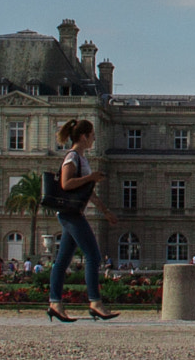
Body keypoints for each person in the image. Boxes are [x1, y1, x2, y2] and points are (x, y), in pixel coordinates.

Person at [46, 119, 121, 323]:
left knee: (62, 262)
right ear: (83, 136)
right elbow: (66, 183)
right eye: (92, 134)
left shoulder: (82, 159)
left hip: (74, 213)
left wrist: (105, 212)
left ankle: (55, 303)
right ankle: (95, 303)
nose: (94, 138)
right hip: (70, 214)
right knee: (93, 256)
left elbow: (89, 193)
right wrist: (90, 178)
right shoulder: (72, 157)